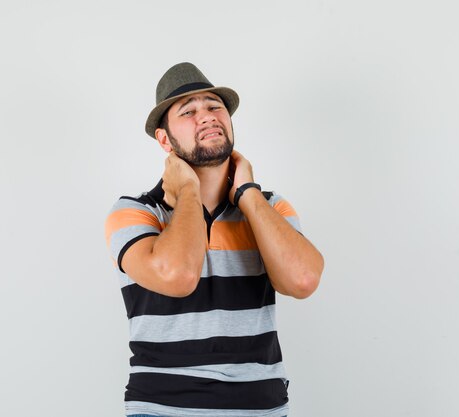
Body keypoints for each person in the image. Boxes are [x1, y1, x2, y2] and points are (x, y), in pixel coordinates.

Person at [104, 62, 324, 417]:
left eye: (213, 106)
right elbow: (177, 276)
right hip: (163, 409)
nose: (205, 116)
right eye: (188, 112)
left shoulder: (269, 208)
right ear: (164, 140)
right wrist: (188, 189)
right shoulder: (135, 212)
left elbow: (303, 280)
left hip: (261, 408)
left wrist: (249, 194)